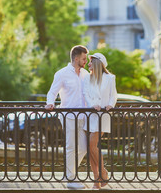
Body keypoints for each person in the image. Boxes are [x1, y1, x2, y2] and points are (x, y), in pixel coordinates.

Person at [45, 45, 89, 190]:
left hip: (83, 116)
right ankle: (71, 179)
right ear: (76, 58)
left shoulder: (85, 74)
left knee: (83, 148)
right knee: (71, 147)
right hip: (68, 115)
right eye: (84, 58)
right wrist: (50, 103)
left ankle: (69, 173)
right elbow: (52, 92)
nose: (86, 61)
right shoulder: (62, 74)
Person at [82, 52, 117, 189]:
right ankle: (96, 180)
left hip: (103, 115)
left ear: (97, 63)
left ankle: (103, 172)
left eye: (91, 62)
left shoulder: (110, 78)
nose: (88, 64)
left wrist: (110, 105)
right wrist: (92, 105)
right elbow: (86, 93)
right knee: (91, 149)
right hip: (91, 114)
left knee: (92, 144)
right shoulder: (87, 78)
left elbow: (113, 95)